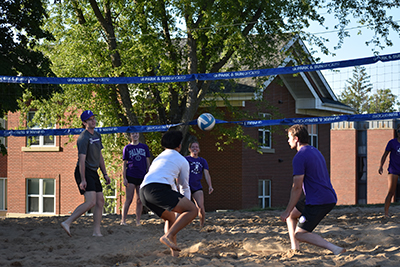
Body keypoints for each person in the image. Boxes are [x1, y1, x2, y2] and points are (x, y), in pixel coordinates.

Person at [280, 124, 345, 255]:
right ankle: (295, 250)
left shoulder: (299, 157)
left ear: (296, 139)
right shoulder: (315, 150)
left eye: (289, 137)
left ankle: (335, 249)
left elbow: (297, 188)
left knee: (300, 234)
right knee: (292, 216)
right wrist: (289, 212)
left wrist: (286, 210)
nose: (288, 141)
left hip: (318, 201)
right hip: (323, 196)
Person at [139, 130, 197, 257]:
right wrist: (186, 209)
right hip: (158, 189)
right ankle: (168, 236)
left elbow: (168, 183)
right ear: (179, 146)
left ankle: (174, 254)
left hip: (143, 191)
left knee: (171, 219)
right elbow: (184, 187)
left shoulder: (159, 158)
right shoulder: (182, 160)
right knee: (193, 210)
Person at [61, 110, 111, 237]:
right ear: (84, 123)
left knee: (100, 201)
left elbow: (100, 156)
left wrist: (105, 173)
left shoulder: (97, 135)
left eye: (94, 118)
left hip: (94, 171)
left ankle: (96, 232)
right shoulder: (83, 138)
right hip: (83, 171)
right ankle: (67, 222)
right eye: (90, 119)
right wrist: (83, 179)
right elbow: (82, 160)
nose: (93, 121)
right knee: (91, 202)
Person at [120, 132, 151, 226]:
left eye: (136, 133)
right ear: (130, 136)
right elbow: (124, 164)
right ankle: (123, 220)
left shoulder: (144, 147)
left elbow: (147, 162)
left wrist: (149, 175)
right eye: (133, 134)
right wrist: (124, 178)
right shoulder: (127, 148)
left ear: (139, 135)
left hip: (142, 176)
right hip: (131, 175)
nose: (135, 135)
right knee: (129, 198)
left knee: (140, 199)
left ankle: (138, 221)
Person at [185, 141, 214, 228]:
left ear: (199, 149)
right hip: (186, 186)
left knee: (200, 207)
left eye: (197, 147)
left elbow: (207, 174)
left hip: (197, 186)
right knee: (186, 207)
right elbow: (179, 172)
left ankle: (202, 224)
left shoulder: (202, 161)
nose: (195, 148)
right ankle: (185, 223)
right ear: (190, 149)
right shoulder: (186, 159)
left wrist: (210, 186)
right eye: (193, 147)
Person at [378, 124, 400, 217]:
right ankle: (386, 214)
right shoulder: (392, 142)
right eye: (399, 131)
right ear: (397, 132)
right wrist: (381, 166)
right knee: (391, 191)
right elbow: (385, 155)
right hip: (394, 169)